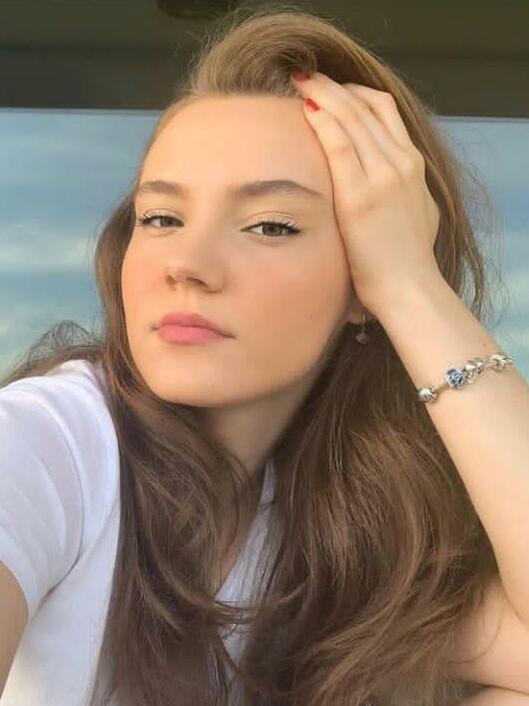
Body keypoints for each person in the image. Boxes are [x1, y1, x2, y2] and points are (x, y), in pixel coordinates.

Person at [0, 6, 525, 706]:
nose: (187, 263)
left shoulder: (344, 521)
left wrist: (411, 287)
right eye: (161, 217)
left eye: (270, 226)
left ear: (364, 277)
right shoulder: (47, 441)